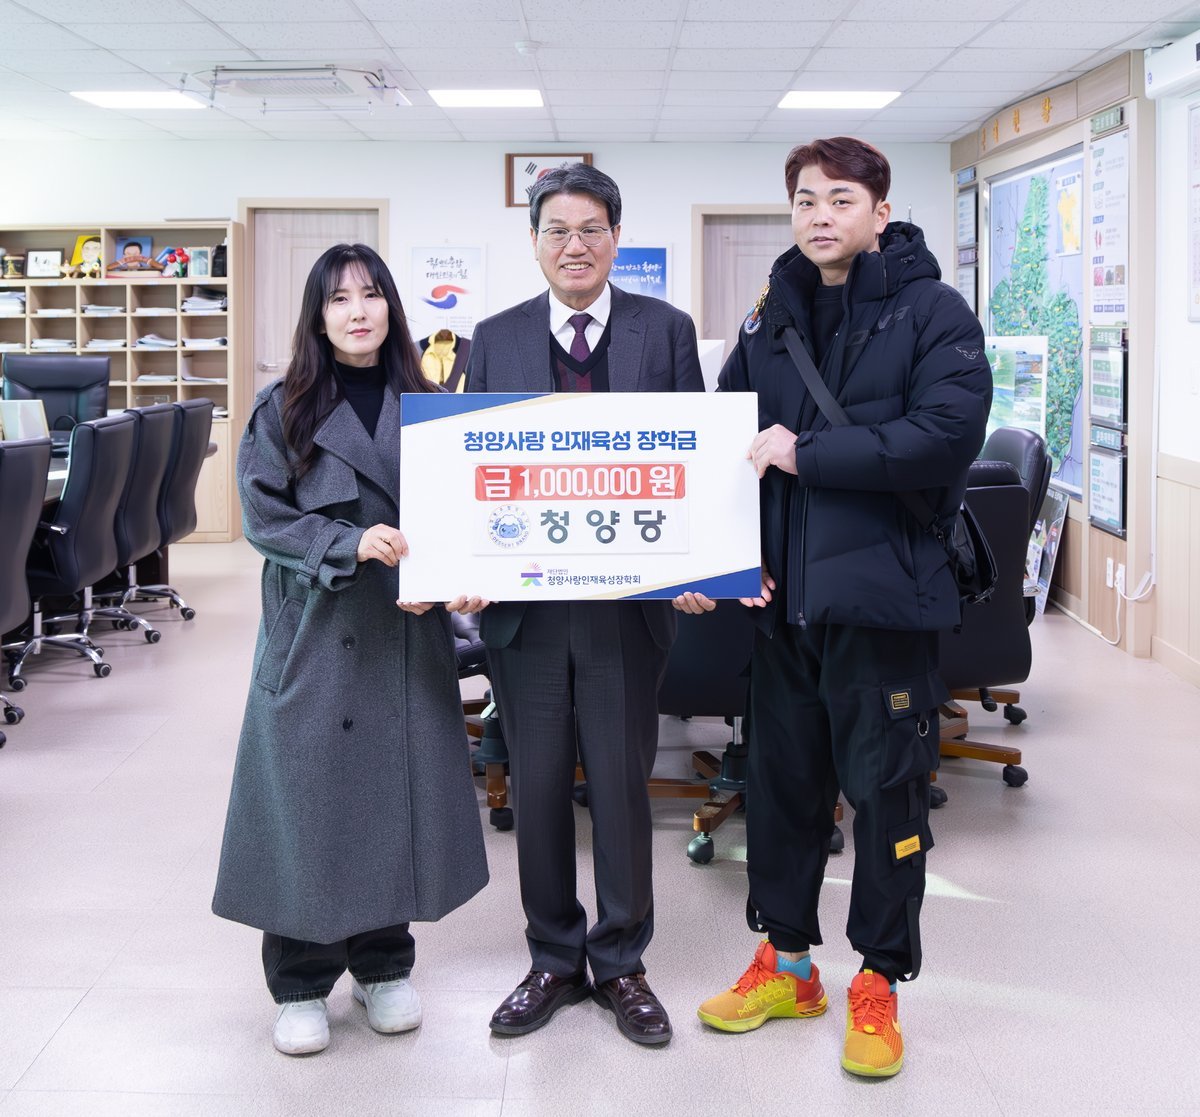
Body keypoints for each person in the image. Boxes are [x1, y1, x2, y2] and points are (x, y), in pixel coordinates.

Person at [677, 137, 992, 1077]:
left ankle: (879, 983)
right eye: (806, 200)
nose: (820, 215)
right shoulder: (770, 313)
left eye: (841, 199)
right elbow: (727, 442)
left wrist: (807, 453)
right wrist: (728, 560)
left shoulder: (933, 312)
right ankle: (788, 966)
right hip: (784, 610)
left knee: (888, 800)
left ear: (880, 212)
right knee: (780, 794)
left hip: (883, 609)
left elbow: (944, 436)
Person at [212, 242, 488, 1056]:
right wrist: (345, 541)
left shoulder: (430, 404)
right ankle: (300, 981)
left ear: (391, 307)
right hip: (317, 635)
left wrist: (468, 575)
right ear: (319, 315)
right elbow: (265, 516)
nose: (358, 311)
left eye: (371, 294)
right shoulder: (284, 408)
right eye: (339, 298)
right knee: (310, 800)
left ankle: (383, 965)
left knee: (393, 795)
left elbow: (465, 512)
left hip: (405, 634)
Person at [464, 163, 703, 1046]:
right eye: (557, 230)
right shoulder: (494, 338)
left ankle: (623, 961)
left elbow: (692, 460)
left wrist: (700, 563)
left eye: (591, 229)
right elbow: (470, 467)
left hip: (625, 609)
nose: (575, 245)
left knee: (620, 784)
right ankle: (554, 958)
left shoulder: (664, 332)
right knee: (534, 788)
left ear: (616, 238)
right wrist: (464, 561)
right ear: (534, 242)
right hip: (527, 611)